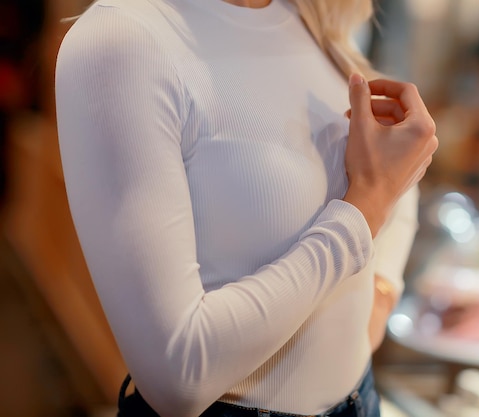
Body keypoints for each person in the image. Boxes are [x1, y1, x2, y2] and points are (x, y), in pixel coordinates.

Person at [54, 0, 438, 416]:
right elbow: (179, 376)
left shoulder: (308, 17)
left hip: (361, 400)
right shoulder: (123, 40)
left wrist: (380, 292)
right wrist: (364, 211)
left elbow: (396, 175)